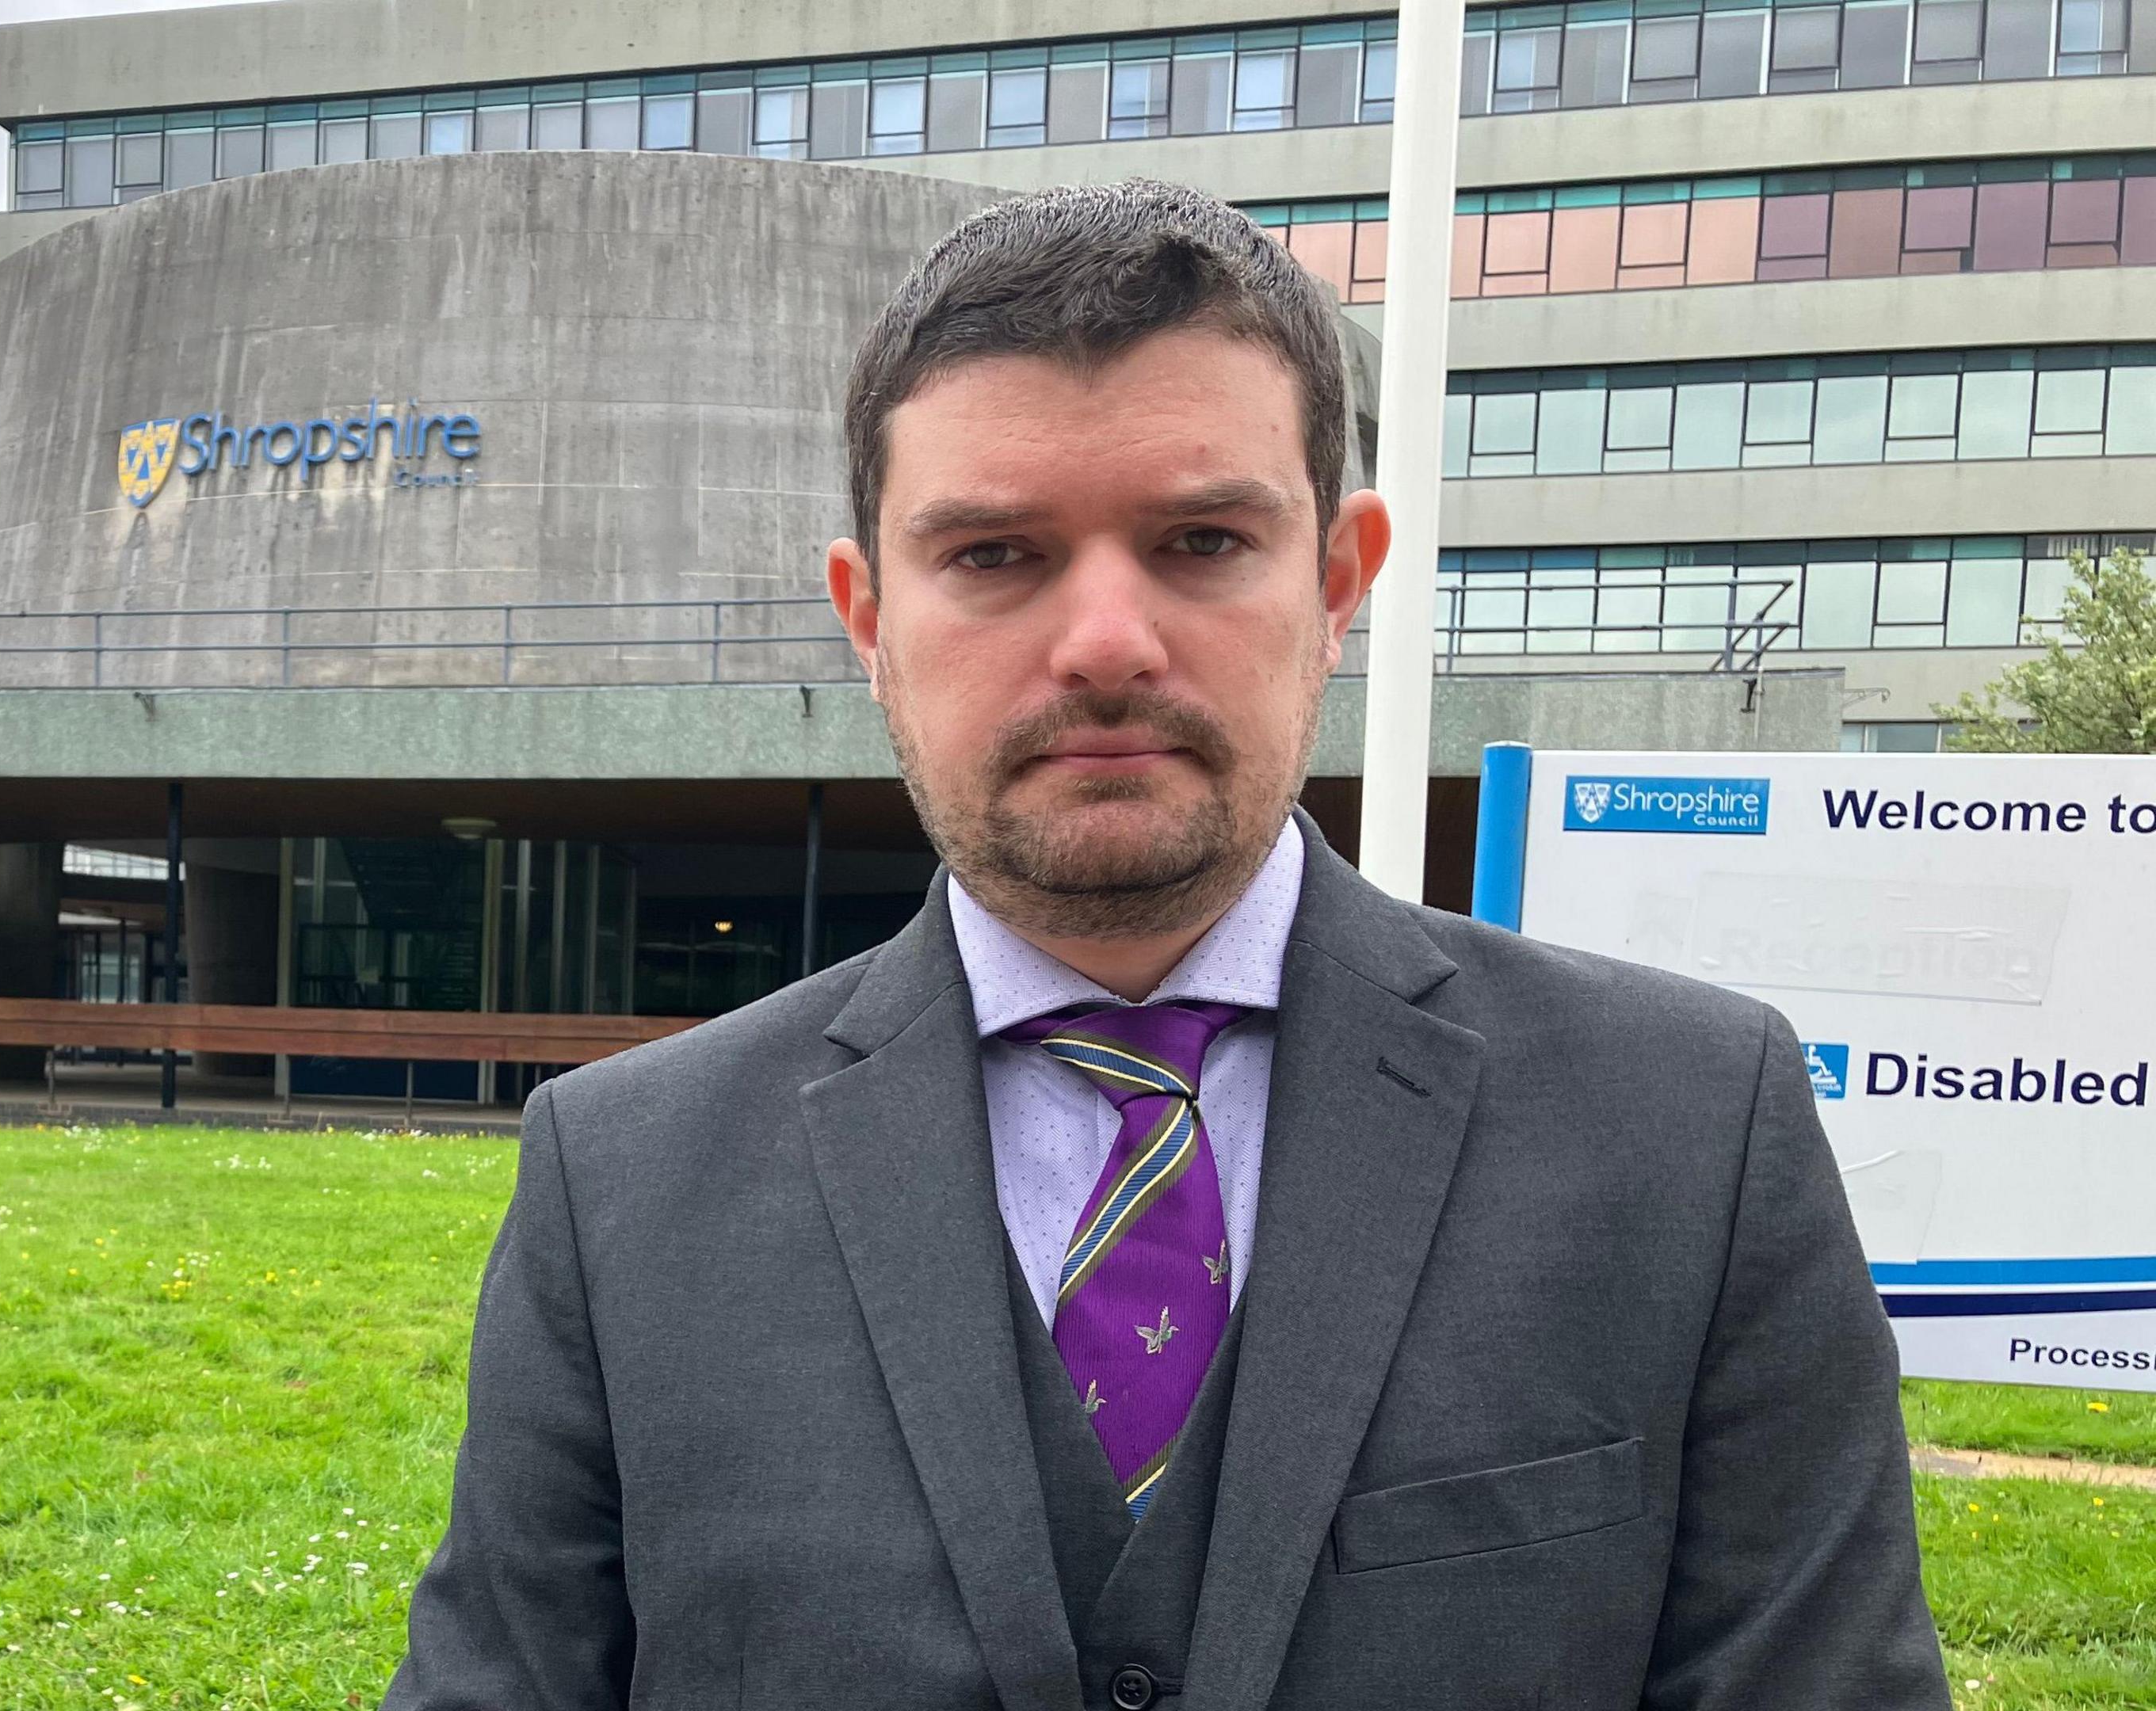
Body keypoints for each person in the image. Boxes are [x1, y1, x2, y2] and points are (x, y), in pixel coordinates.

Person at [385, 180, 1948, 1711]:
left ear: (1339, 582)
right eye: (994, 554)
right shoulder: (624, 1180)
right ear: (867, 617)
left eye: (1201, 540)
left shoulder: (1691, 1132)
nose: (1107, 641)